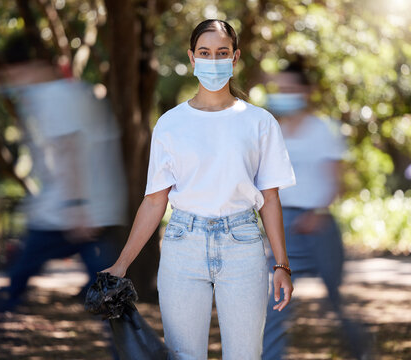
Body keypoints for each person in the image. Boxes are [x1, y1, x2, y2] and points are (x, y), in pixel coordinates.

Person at [103, 19, 296, 359]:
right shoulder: (170, 124)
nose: (213, 60)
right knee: (183, 356)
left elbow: (269, 198)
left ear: (235, 58)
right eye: (205, 53)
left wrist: (282, 265)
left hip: (243, 246)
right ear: (191, 58)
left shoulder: (259, 122)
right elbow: (153, 202)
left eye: (222, 53)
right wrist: (122, 264)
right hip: (182, 246)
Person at [0, 34, 128, 311]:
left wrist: (76, 207)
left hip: (66, 216)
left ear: (32, 67)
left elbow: (69, 151)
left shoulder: (52, 96)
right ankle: (134, 351)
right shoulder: (72, 91)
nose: (12, 82)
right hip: (94, 211)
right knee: (109, 295)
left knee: (17, 280)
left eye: (13, 74)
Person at [263, 64, 370, 359]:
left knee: (336, 299)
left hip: (319, 227)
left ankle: (362, 352)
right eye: (280, 90)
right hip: (284, 229)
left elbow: (337, 181)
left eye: (290, 90)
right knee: (275, 305)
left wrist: (317, 212)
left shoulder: (323, 129)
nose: (284, 95)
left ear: (306, 91)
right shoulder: (274, 131)